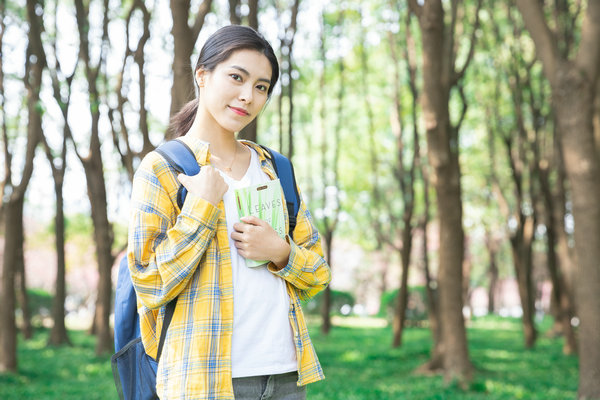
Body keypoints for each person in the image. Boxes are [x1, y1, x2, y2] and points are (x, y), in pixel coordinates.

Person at [127, 24, 331, 399]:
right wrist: (201, 209)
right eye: (236, 77)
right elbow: (150, 283)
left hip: (285, 376)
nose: (247, 96)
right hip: (203, 379)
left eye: (261, 87)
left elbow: (318, 272)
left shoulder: (274, 169)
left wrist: (280, 252)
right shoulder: (164, 169)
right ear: (202, 76)